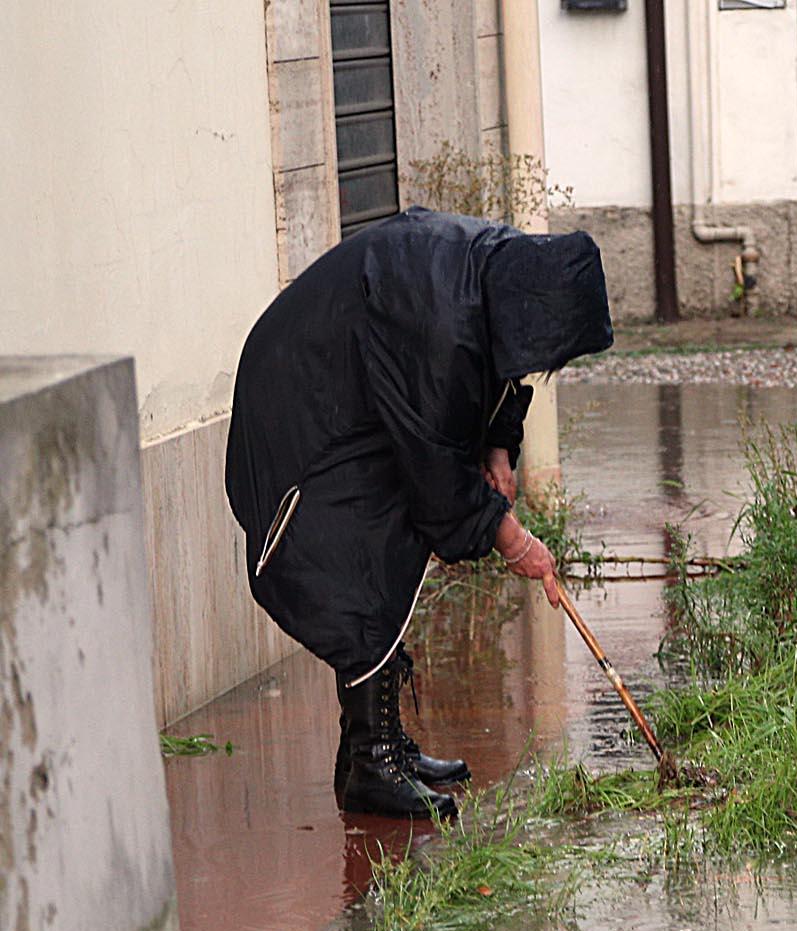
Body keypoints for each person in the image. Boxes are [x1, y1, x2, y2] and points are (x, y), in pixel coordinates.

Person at [225, 207, 613, 818]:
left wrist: (498, 446)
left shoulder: (503, 273)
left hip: (349, 389)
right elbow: (437, 475)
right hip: (301, 406)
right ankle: (373, 763)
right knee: (359, 548)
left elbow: (499, 375)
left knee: (385, 535)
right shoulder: (444, 321)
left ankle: (374, 748)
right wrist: (511, 539)